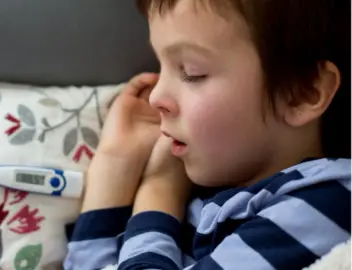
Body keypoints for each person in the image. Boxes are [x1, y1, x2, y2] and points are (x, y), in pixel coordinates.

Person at [64, 0, 351, 269]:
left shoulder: (328, 204)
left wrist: (159, 190)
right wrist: (116, 165)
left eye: (192, 72)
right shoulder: (217, 185)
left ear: (302, 93)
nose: (157, 97)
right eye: (160, 66)